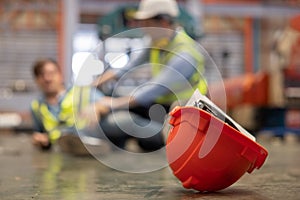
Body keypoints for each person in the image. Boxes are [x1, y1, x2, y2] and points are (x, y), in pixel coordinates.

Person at [95, 0, 207, 121]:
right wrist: (94, 84)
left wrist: (113, 104)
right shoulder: (156, 42)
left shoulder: (184, 54)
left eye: (147, 24)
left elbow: (154, 89)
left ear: (163, 23)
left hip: (185, 111)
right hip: (162, 104)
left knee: (123, 121)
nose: (144, 29)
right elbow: (128, 67)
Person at [30, 58, 164, 152]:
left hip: (95, 134)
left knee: (122, 120)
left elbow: (106, 103)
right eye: (42, 75)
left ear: (60, 75)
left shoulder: (80, 92)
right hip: (68, 146)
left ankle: (166, 135)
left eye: (51, 73)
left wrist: (97, 107)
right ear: (37, 80)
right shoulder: (36, 107)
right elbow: (41, 134)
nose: (47, 78)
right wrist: (41, 140)